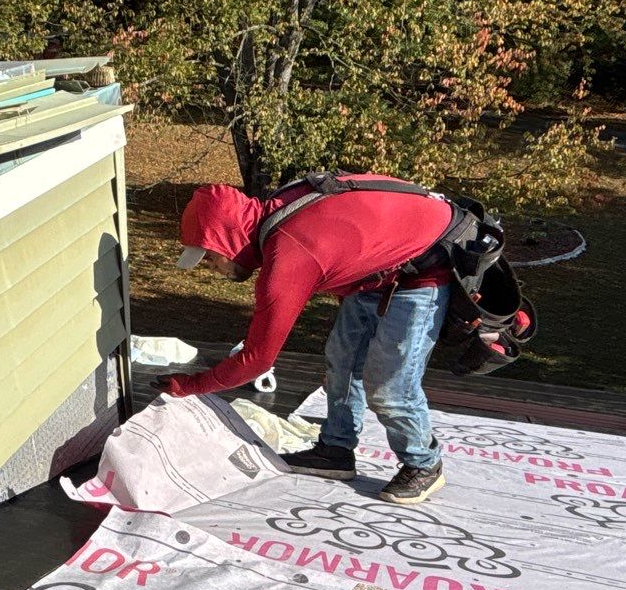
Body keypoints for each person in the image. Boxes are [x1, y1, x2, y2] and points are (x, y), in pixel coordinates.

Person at [156, 179, 458, 504]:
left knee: (389, 386)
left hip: (422, 270)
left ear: (229, 239)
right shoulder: (276, 214)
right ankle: (335, 450)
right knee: (341, 363)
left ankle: (424, 464)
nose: (212, 268)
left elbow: (257, 360)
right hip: (379, 268)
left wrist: (189, 385)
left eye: (211, 257)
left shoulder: (289, 252)